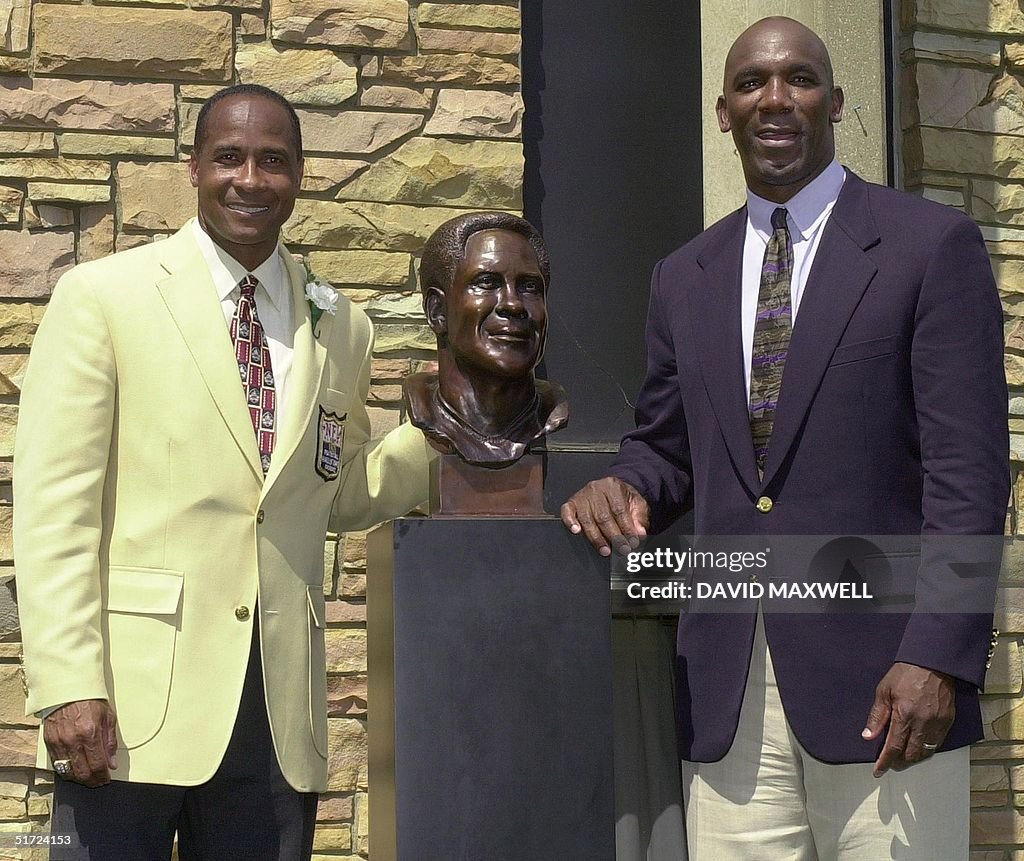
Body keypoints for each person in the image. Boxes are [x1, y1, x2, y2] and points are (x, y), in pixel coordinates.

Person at [562, 17, 1007, 860]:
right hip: (730, 692)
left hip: (889, 689)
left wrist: (939, 656)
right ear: (723, 111)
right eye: (752, 83)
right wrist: (622, 483)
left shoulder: (928, 247)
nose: (775, 98)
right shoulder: (681, 276)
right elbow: (667, 446)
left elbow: (970, 475)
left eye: (799, 79)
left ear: (835, 102)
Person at [13, 83, 432, 860]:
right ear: (193, 167)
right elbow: (53, 512)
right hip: (124, 715)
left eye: (272, 161)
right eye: (229, 157)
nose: (250, 178)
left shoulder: (341, 323)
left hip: (274, 718)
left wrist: (445, 440)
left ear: (300, 174)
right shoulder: (104, 299)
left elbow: (333, 493)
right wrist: (69, 681)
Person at [404, 211, 568, 468]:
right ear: (437, 311)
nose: (513, 304)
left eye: (529, 287)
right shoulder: (426, 410)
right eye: (487, 283)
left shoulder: (551, 411)